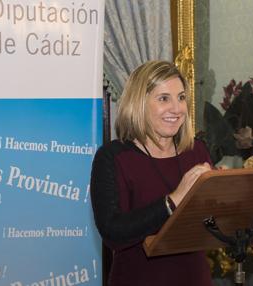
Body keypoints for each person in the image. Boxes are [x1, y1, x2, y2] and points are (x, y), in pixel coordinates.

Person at [90, 60, 213, 285]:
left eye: (181, 97)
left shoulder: (196, 152)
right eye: (164, 98)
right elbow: (113, 232)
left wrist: (226, 192)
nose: (177, 109)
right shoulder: (113, 157)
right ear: (139, 103)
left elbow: (212, 222)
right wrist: (173, 200)